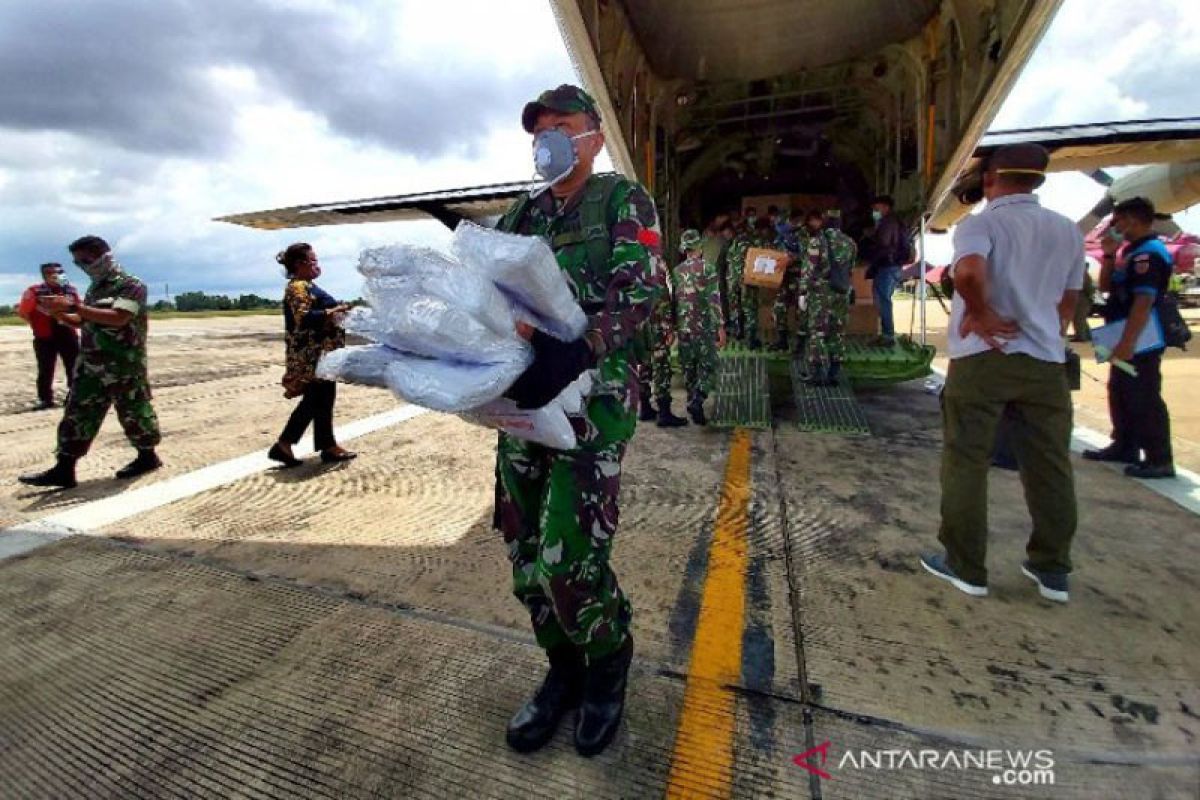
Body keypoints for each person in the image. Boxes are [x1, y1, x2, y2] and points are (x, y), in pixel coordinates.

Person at [492, 84, 662, 757]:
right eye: (539, 130)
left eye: (562, 125)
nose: (549, 139)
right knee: (524, 550)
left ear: (592, 132)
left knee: (569, 556)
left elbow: (642, 290)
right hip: (527, 400)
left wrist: (581, 348)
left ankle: (606, 667)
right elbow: (484, 291)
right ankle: (561, 670)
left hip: (595, 399)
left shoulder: (623, 200)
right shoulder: (520, 215)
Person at [919, 143, 1084, 604]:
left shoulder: (982, 224)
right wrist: (1046, 333)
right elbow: (1069, 302)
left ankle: (965, 565)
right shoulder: (1067, 230)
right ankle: (1052, 569)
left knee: (967, 460)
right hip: (1045, 363)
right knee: (1049, 465)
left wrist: (982, 312)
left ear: (990, 179)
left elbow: (968, 272)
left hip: (984, 358)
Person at [19, 236, 163, 489]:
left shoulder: (131, 285)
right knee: (77, 413)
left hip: (123, 364)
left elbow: (119, 317)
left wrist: (75, 305)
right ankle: (64, 468)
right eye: (77, 263)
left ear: (101, 255)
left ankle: (147, 456)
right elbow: (86, 321)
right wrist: (61, 314)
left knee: (134, 412)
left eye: (84, 260)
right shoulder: (95, 288)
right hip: (91, 363)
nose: (82, 267)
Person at [1082, 197, 1176, 478]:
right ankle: (1125, 445)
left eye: (1117, 222)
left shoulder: (1149, 254)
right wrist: (1109, 255)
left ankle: (1160, 458)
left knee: (1144, 396)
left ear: (1132, 220)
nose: (1114, 227)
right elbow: (1108, 286)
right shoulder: (1130, 252)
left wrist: (1127, 342)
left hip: (1140, 338)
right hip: (1122, 334)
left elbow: (1143, 302)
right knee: (1121, 391)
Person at [268, 243, 357, 467]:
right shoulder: (298, 287)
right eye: (313, 260)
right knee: (317, 400)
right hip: (310, 357)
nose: (317, 265)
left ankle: (320, 446)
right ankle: (288, 444)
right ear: (300, 264)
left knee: (322, 399)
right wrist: (334, 311)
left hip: (319, 354)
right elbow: (304, 318)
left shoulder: (308, 286)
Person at [799, 209, 857, 384]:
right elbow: (850, 270)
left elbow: (809, 270)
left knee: (817, 331)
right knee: (837, 331)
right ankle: (833, 374)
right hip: (842, 292)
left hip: (821, 292)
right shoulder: (850, 243)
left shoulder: (817, 242)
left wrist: (802, 292)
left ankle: (816, 374)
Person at [674, 228, 726, 424]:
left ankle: (692, 405)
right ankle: (698, 400)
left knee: (689, 368)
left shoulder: (677, 271)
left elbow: (674, 301)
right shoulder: (708, 269)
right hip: (703, 328)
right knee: (709, 365)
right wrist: (720, 327)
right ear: (700, 247)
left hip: (684, 329)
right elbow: (714, 300)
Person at [18, 262, 81, 409]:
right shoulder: (34, 291)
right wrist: (36, 325)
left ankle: (74, 397)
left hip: (68, 334)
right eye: (50, 273)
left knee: (74, 367)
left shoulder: (70, 291)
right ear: (44, 275)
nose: (55, 276)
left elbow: (80, 310)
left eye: (59, 272)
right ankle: (45, 399)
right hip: (45, 336)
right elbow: (23, 312)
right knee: (45, 369)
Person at [636, 256, 688, 427]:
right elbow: (663, 300)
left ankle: (644, 408)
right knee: (661, 365)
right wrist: (668, 328)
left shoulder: (633, 262)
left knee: (643, 363)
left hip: (639, 324)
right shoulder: (656, 264)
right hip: (656, 324)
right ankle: (664, 413)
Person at [867, 194, 909, 345]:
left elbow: (884, 243)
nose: (874, 211)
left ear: (885, 207)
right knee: (881, 299)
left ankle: (888, 335)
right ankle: (885, 333)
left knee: (883, 300)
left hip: (887, 266)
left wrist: (871, 239)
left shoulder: (888, 221)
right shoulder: (893, 221)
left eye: (876, 208)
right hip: (891, 266)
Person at [1069, 269, 1094, 342]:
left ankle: (1081, 336)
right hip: (1082, 297)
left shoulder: (1080, 271)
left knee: (1079, 318)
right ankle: (1087, 335)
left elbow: (1087, 285)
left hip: (1082, 298)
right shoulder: (1081, 271)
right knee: (1081, 319)